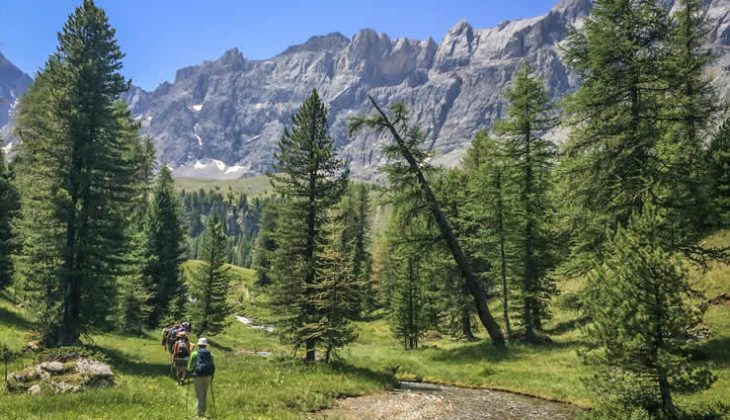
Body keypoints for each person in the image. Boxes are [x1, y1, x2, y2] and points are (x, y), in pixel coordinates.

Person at [188, 337, 215, 417]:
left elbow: (190, 367)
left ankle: (199, 414)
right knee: (204, 394)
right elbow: (212, 365)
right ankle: (203, 411)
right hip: (208, 376)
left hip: (198, 376)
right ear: (206, 346)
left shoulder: (194, 354)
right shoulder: (210, 354)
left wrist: (189, 373)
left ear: (199, 345)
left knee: (199, 395)